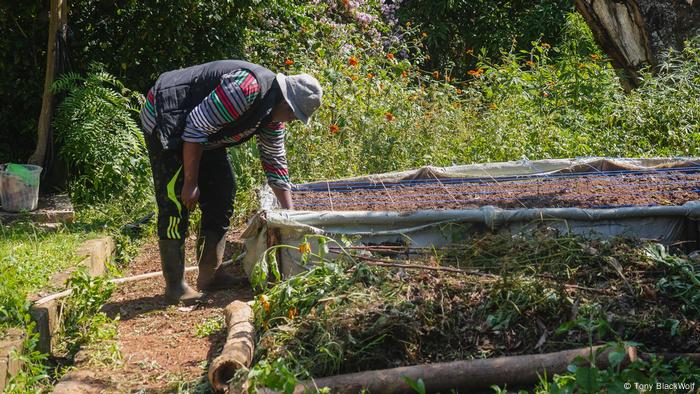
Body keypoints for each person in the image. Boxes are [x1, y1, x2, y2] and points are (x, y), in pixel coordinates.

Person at [140, 60, 322, 304]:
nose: (290, 120)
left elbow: (274, 160)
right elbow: (195, 125)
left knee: (222, 192)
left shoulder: (272, 116)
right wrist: (191, 182)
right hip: (168, 118)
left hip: (203, 134)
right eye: (293, 114)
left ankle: (210, 275)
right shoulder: (246, 89)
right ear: (285, 102)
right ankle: (175, 288)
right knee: (175, 199)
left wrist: (291, 216)